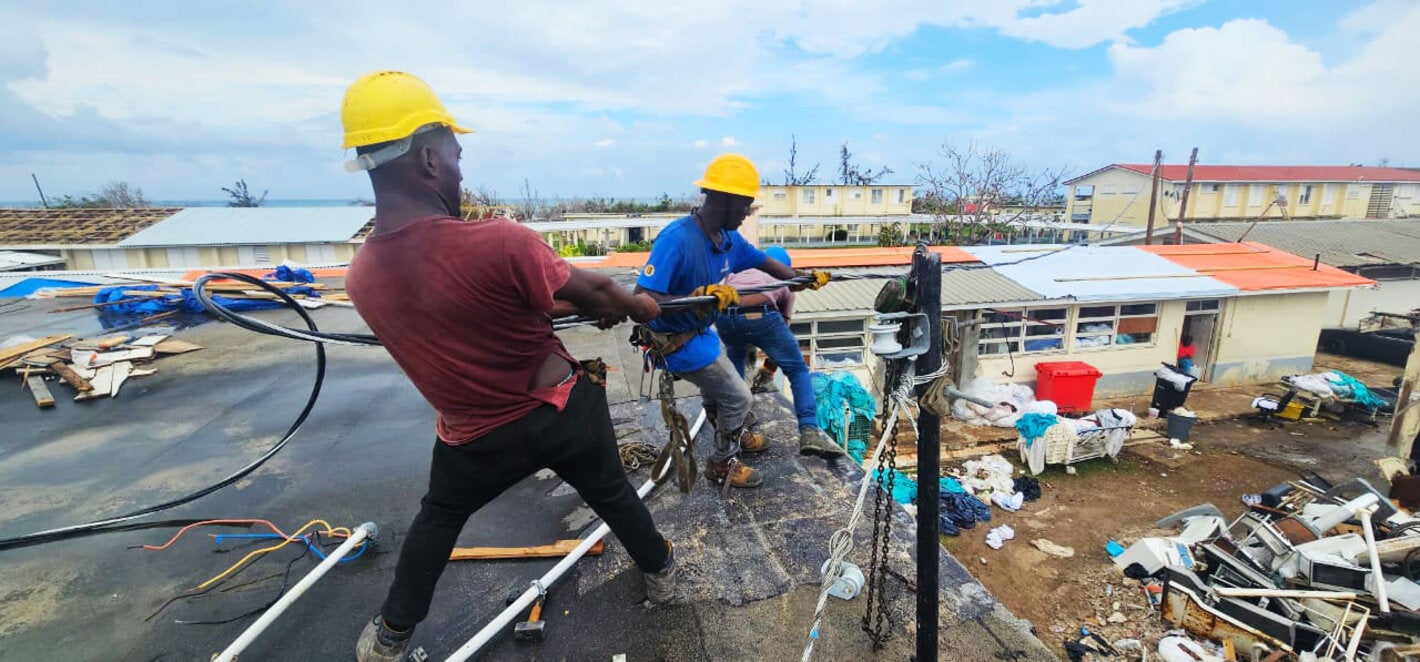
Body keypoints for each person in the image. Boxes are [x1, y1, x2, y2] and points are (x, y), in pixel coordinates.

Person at [339, 71, 676, 662]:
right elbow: (598, 293)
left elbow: (488, 306)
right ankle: (665, 574)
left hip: (474, 437)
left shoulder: (360, 276)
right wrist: (637, 305)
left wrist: (581, 303)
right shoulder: (497, 241)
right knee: (613, 494)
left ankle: (389, 638)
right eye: (455, 155)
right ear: (427, 158)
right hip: (560, 413)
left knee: (438, 518)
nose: (461, 171)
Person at [634, 153, 828, 490]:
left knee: (720, 388)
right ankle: (722, 463)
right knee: (739, 397)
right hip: (675, 343)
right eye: (745, 206)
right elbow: (642, 300)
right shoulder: (677, 239)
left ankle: (729, 431)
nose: (746, 214)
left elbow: (767, 264)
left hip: (701, 336)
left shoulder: (729, 241)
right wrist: (697, 296)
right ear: (725, 200)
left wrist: (803, 278)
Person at [716, 245, 844, 459]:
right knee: (797, 370)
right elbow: (780, 331)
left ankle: (738, 419)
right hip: (762, 312)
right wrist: (769, 369)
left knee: (735, 359)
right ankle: (809, 430)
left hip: (725, 316)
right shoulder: (784, 281)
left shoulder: (737, 272)